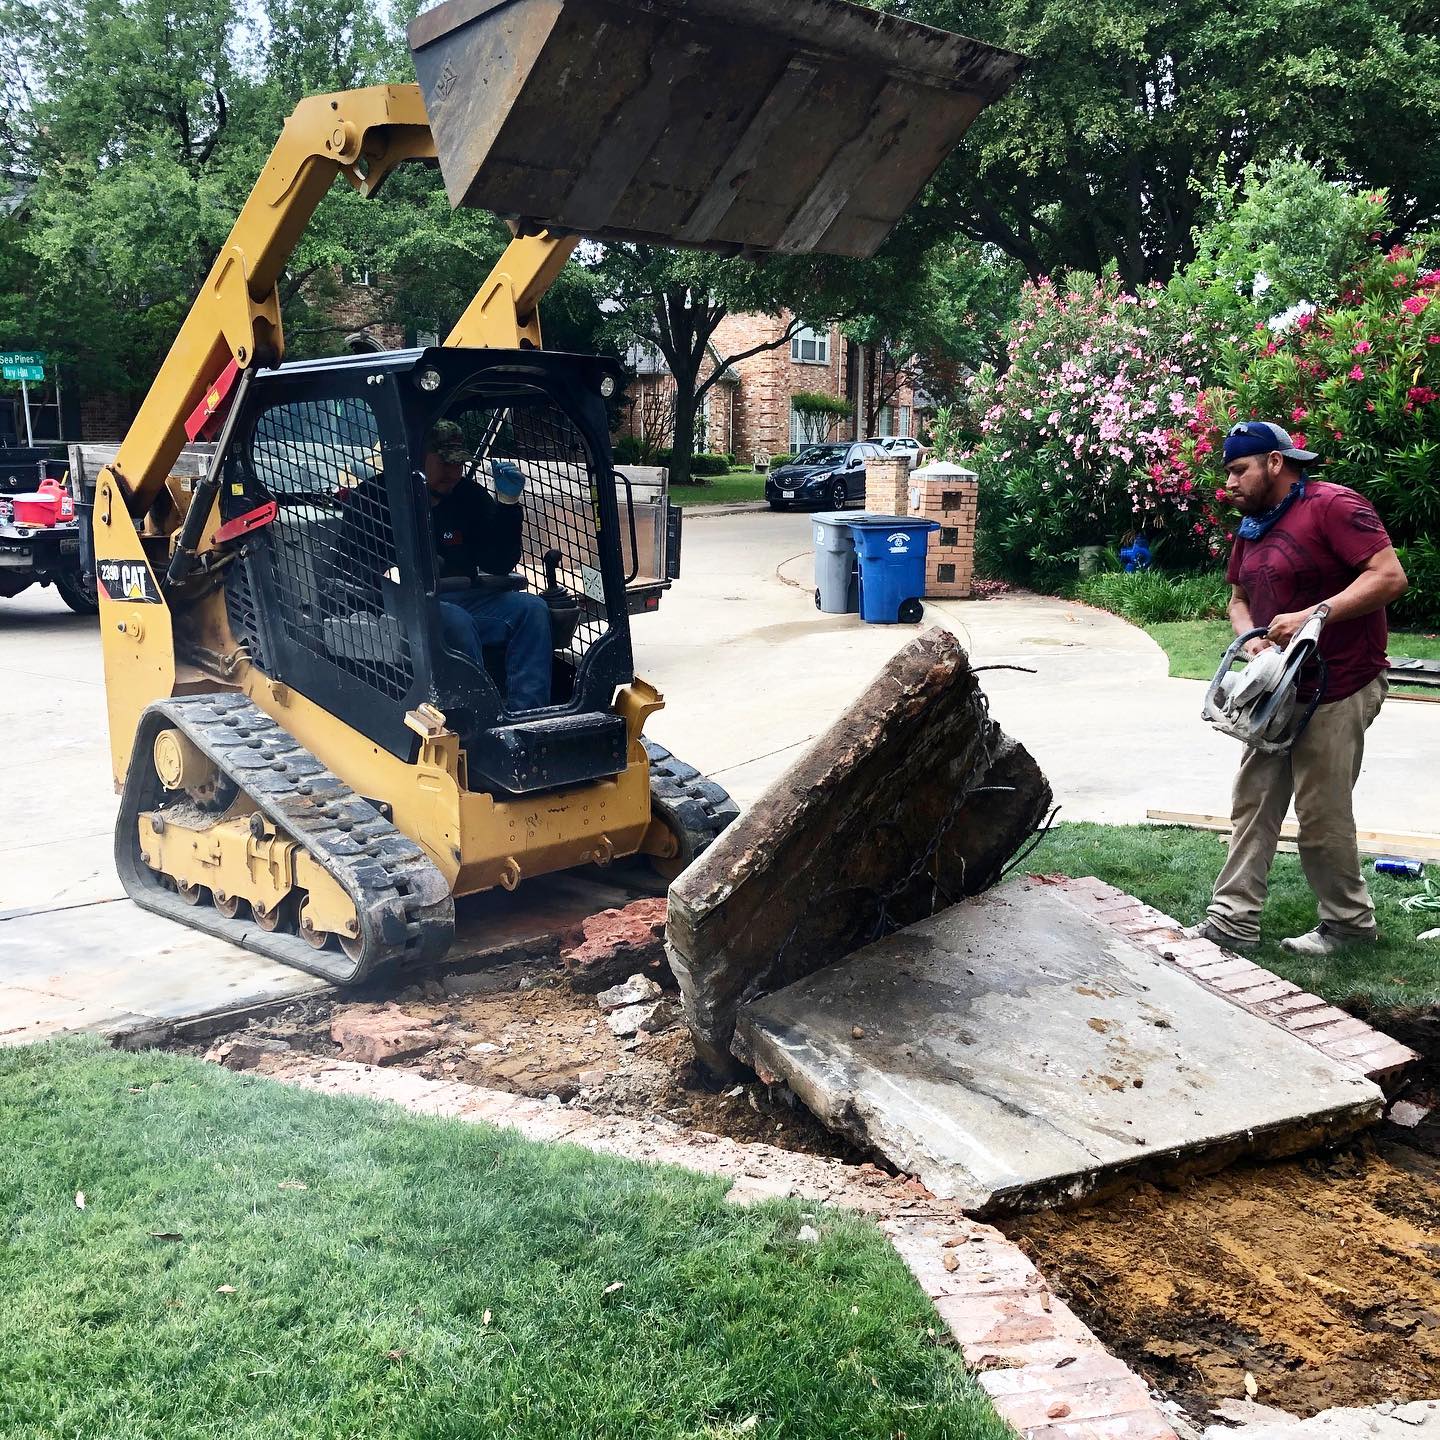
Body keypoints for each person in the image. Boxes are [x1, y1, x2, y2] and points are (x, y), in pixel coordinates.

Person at [1187, 420, 1408, 957]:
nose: (1231, 484)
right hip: (1278, 690)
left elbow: (1389, 577)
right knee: (1253, 800)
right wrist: (1251, 640)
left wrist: (1313, 616)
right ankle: (1232, 920)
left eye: (1240, 470)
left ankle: (1349, 926)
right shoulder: (1253, 526)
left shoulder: (1334, 506)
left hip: (1341, 683)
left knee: (1321, 809)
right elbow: (1238, 599)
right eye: (1228, 473)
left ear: (1276, 463)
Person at [421, 420, 553, 712]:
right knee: (456, 621)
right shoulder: (380, 497)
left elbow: (498, 563)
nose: (454, 473)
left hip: (466, 596)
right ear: (419, 456)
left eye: (458, 464)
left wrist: (507, 505)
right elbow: (354, 565)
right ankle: (479, 715)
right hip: (410, 604)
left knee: (531, 609)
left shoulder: (468, 496)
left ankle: (528, 713)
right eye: (445, 463)